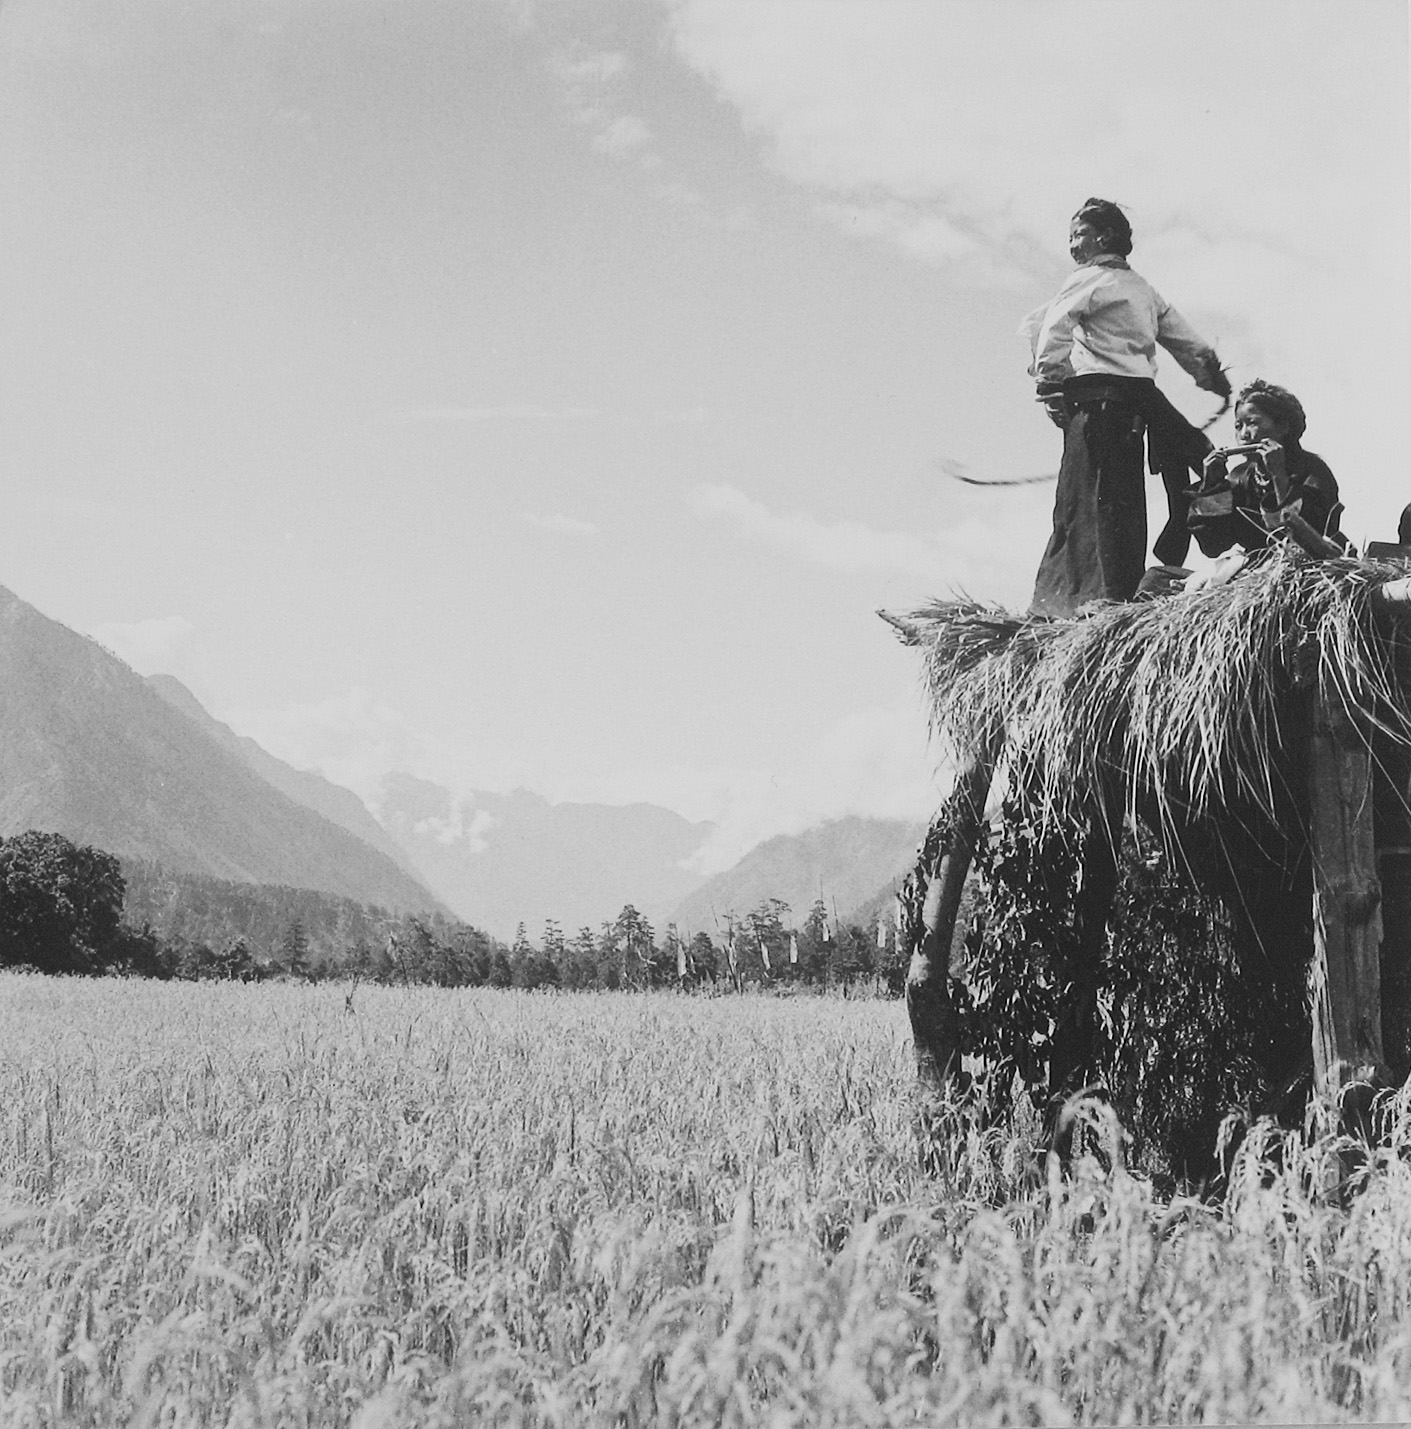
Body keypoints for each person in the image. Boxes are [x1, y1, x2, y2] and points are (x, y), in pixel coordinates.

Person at [1024, 198, 1230, 617]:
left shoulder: (1089, 279)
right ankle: (1115, 589)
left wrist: (1049, 384)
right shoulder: (1143, 290)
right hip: (1134, 406)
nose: (1072, 245)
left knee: (1085, 500)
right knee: (1121, 500)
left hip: (1100, 405)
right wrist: (1211, 375)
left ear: (1104, 237)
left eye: (1077, 234)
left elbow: (1053, 328)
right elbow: (1185, 339)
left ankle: (1083, 599)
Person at [1188, 380, 1344, 557]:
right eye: (1238, 426)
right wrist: (1211, 486)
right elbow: (1212, 547)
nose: (1243, 434)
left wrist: (1278, 475)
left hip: (1305, 568)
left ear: (1283, 427)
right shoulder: (1239, 476)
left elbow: (1306, 539)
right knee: (1157, 577)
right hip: (1255, 570)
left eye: (1252, 423)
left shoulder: (1313, 471)